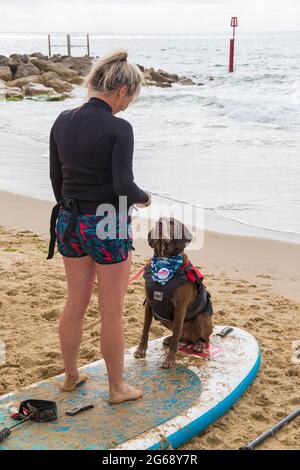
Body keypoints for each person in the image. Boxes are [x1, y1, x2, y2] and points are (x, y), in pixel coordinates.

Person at [48, 49, 151, 404]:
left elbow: (56, 181)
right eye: (130, 98)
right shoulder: (119, 128)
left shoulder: (62, 120)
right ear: (121, 89)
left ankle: (71, 377)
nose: (127, 106)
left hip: (69, 219)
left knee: (75, 301)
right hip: (107, 222)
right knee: (111, 310)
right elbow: (124, 186)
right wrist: (144, 197)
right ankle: (117, 388)